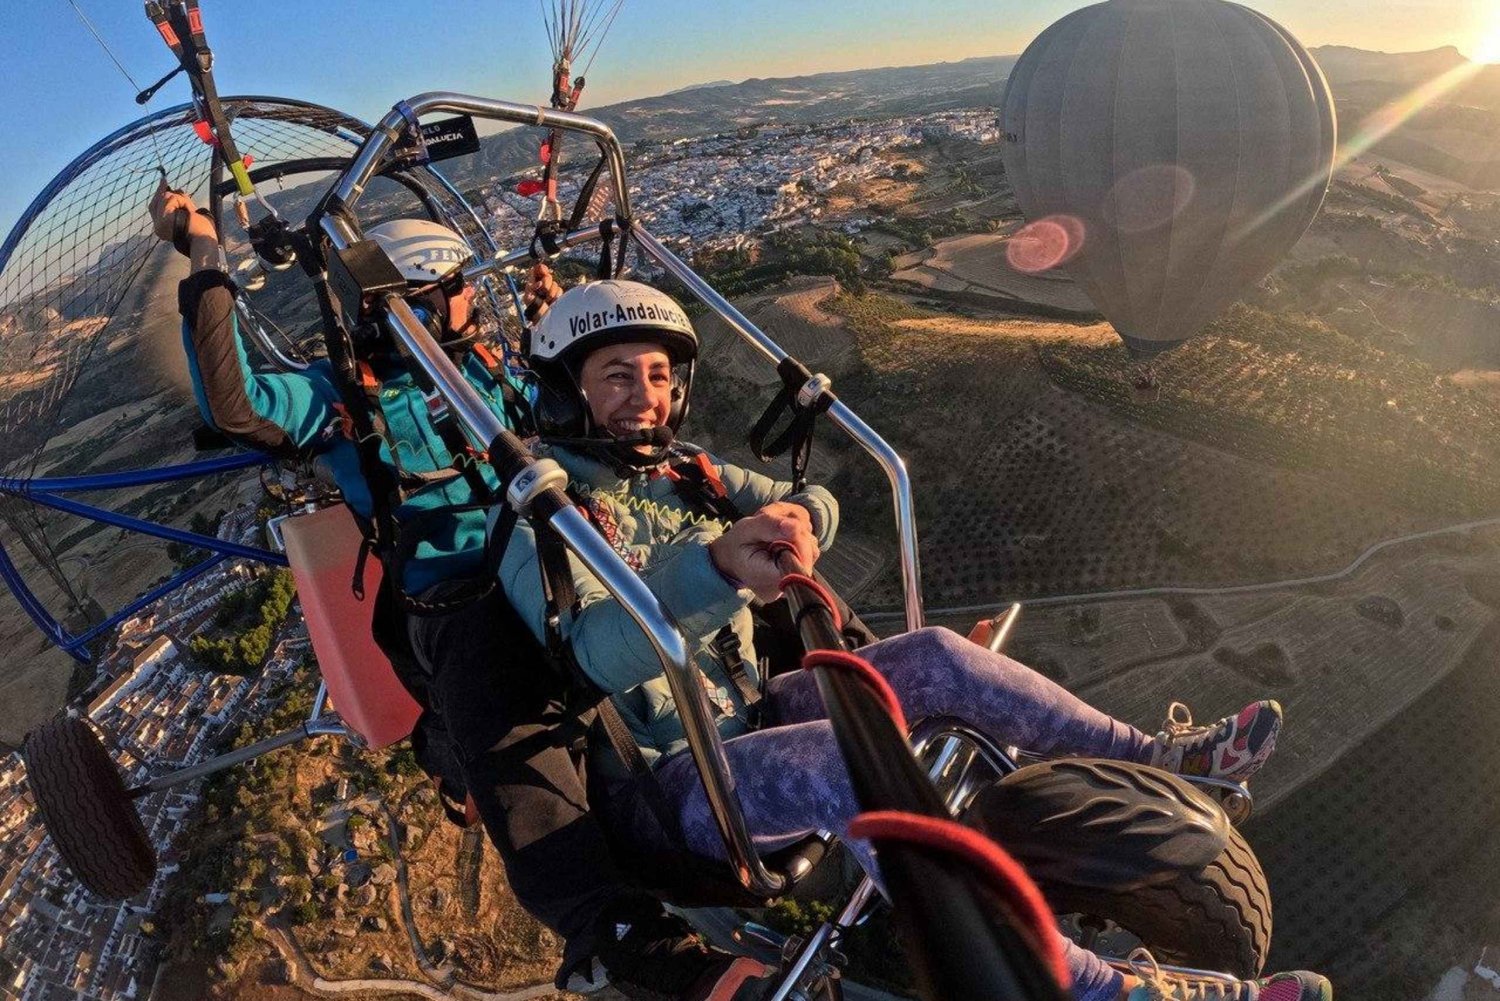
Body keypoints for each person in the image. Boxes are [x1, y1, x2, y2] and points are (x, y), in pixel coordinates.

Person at [502, 277, 1332, 1001]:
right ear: (567, 393)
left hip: (749, 713)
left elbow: (815, 501)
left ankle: (1156, 756)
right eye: (617, 377)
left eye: (656, 375)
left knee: (932, 653)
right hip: (668, 782)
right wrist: (714, 568)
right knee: (842, 758)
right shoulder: (543, 519)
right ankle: (1093, 985)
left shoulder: (686, 475)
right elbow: (590, 653)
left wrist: (796, 517)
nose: (644, 396)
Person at [147, 185, 756, 999]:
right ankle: (612, 929)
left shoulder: (491, 371)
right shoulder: (346, 398)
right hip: (463, 590)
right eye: (460, 284)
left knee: (709, 535)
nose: (475, 294)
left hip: (561, 539)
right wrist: (204, 253)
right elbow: (236, 400)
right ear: (422, 298)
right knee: (502, 704)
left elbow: (568, 410)